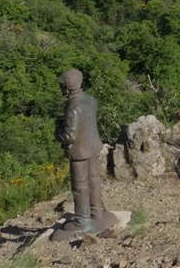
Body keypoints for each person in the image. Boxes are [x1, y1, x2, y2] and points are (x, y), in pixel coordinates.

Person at [52, 69, 117, 238]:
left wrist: (58, 132)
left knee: (79, 185)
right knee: (93, 179)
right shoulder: (90, 100)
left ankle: (82, 219)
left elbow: (69, 136)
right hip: (92, 145)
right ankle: (97, 212)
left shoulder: (72, 108)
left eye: (62, 86)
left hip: (79, 151)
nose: (60, 89)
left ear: (67, 87)